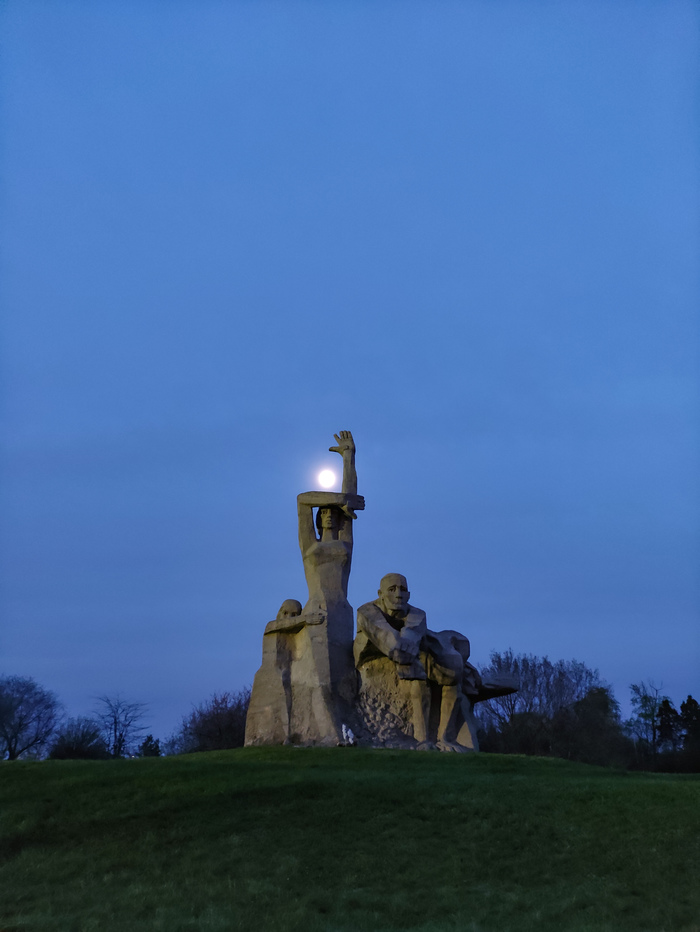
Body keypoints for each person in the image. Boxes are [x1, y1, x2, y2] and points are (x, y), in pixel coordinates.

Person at [355, 573, 472, 751]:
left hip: (411, 653)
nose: (398, 595)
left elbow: (411, 634)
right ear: (380, 594)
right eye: (392, 589)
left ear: (409, 595)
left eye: (403, 590)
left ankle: (445, 739)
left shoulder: (417, 614)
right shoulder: (367, 611)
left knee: (451, 670)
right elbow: (386, 635)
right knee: (415, 666)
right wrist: (401, 649)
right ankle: (422, 740)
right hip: (372, 658)